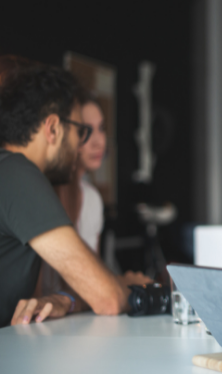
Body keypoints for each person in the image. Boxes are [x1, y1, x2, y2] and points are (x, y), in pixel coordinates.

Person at [0, 65, 130, 327]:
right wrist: (125, 284)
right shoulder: (17, 175)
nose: (80, 144)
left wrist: (65, 299)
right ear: (53, 128)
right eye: (79, 130)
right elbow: (109, 298)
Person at [39, 94, 151, 297]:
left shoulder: (91, 198)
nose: (99, 141)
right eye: (85, 131)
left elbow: (89, 284)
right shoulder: (43, 192)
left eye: (101, 128)